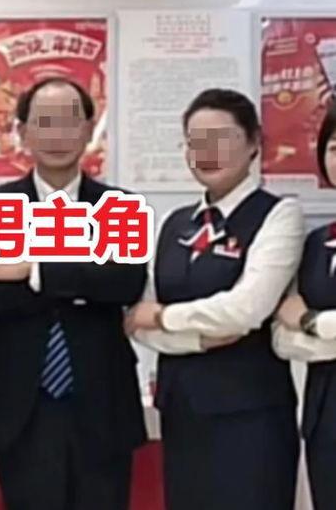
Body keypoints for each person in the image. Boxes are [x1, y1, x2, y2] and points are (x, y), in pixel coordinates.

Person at [0, 77, 147, 510]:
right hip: (21, 407)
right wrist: (84, 278)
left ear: (88, 130)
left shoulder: (117, 207)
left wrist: (32, 270)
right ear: (23, 132)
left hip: (103, 403)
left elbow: (125, 282)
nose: (57, 135)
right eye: (44, 123)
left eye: (69, 122)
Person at [126, 89, 304, 510]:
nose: (207, 152)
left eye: (221, 138)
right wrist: (200, 338)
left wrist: (165, 317)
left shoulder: (278, 215)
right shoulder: (174, 225)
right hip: (182, 413)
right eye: (195, 142)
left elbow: (246, 309)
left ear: (254, 142)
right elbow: (136, 320)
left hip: (250, 417)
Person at [274, 104, 336, 510]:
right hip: (324, 416)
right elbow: (282, 337)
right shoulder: (316, 243)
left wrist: (310, 321)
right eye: (334, 147)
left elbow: (297, 319)